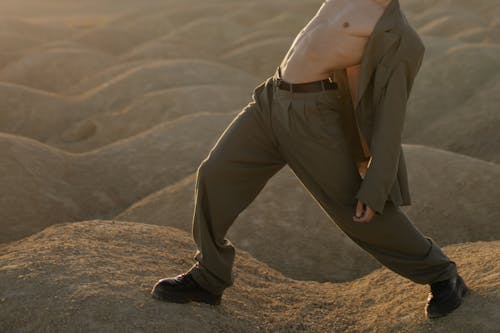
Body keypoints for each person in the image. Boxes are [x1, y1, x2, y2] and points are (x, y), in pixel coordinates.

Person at [151, 0, 468, 319]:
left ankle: (442, 275)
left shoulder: (400, 36)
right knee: (214, 174)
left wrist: (376, 183)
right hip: (270, 100)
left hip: (313, 117)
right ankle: (208, 278)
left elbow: (390, 115)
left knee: (354, 208)